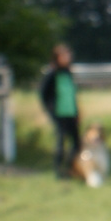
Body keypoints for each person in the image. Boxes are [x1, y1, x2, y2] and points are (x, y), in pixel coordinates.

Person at [38, 44, 82, 179]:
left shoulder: (68, 72)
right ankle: (58, 171)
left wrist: (77, 111)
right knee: (61, 142)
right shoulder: (52, 73)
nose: (68, 58)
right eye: (64, 55)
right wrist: (51, 110)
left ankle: (70, 168)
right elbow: (43, 93)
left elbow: (72, 94)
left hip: (71, 113)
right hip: (59, 113)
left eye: (69, 55)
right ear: (57, 58)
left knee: (77, 143)